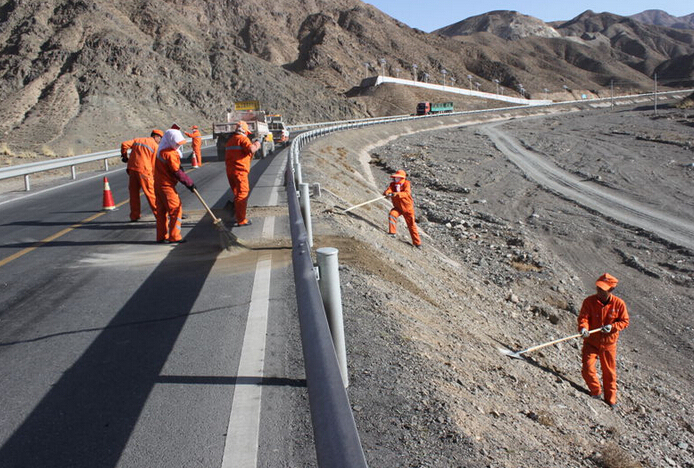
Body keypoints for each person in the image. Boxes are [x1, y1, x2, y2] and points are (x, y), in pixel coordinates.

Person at [577, 273, 630, 407]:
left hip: (608, 344)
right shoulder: (589, 301)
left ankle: (610, 401)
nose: (599, 291)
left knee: (609, 374)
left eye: (603, 289)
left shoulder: (619, 304)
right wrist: (584, 328)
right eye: (598, 288)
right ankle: (595, 392)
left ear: (611, 290)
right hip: (591, 342)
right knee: (587, 368)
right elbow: (584, 318)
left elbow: (625, 321)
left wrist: (612, 327)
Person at [154, 127, 196, 243]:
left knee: (162, 212)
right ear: (171, 140)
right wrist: (189, 184)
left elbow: (173, 168)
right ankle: (174, 236)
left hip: (158, 185)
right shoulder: (170, 154)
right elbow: (176, 172)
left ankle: (161, 237)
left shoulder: (161, 151)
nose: (178, 146)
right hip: (166, 186)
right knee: (176, 210)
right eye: (177, 143)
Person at [120, 129, 163, 221]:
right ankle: (159, 215)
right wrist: (154, 176)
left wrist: (124, 156)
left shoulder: (137, 140)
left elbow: (124, 144)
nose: (160, 141)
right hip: (144, 172)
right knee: (151, 194)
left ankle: (134, 216)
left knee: (133, 194)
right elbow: (154, 163)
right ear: (156, 136)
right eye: (160, 139)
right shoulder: (155, 146)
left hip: (132, 169)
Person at [225, 120, 260, 226]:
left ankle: (236, 214)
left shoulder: (230, 141)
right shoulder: (243, 139)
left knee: (237, 194)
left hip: (231, 171)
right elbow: (252, 149)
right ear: (245, 131)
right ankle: (241, 220)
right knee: (242, 194)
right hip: (240, 172)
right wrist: (258, 143)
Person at [383, 169, 422, 248]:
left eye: (398, 177)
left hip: (407, 209)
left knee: (411, 225)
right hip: (398, 207)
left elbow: (407, 193)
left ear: (402, 178)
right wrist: (387, 193)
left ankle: (417, 243)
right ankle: (392, 233)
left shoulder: (406, 184)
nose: (396, 179)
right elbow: (389, 190)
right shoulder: (392, 184)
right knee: (392, 214)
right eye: (395, 177)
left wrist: (396, 194)